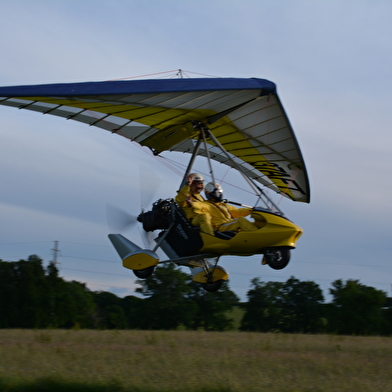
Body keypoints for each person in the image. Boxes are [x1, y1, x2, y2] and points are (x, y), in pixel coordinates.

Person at [192, 182, 258, 233]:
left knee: (252, 224)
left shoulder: (224, 205)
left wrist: (252, 210)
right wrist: (191, 203)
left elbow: (237, 212)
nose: (218, 195)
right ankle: (257, 236)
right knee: (240, 220)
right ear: (209, 193)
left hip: (229, 225)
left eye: (219, 193)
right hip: (221, 227)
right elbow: (198, 205)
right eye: (216, 193)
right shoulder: (206, 204)